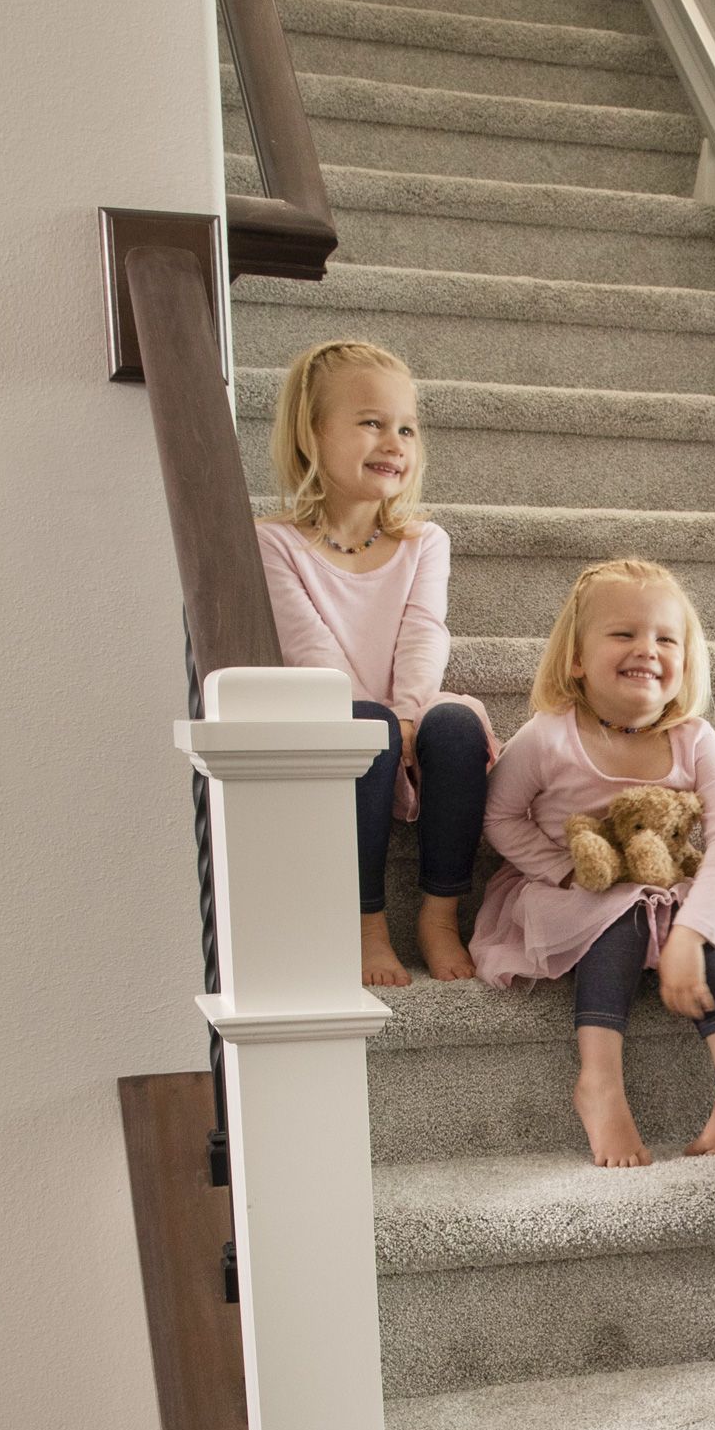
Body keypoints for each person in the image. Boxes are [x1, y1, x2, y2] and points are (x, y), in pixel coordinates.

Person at [469, 558, 715, 1166]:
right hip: (568, 891)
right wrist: (565, 869)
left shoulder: (694, 738)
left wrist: (694, 928)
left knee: (687, 913)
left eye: (666, 637)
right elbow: (498, 816)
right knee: (627, 909)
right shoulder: (549, 736)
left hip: (668, 892)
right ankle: (599, 1081)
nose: (647, 649)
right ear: (577, 658)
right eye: (624, 634)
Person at [257, 340, 494, 988]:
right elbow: (312, 653)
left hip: (407, 711)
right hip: (332, 721)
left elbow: (424, 630)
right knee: (365, 723)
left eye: (406, 427)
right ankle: (365, 922)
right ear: (312, 433)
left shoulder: (423, 541)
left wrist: (411, 714)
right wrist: (385, 723)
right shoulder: (274, 543)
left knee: (458, 727)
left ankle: (440, 915)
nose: (393, 441)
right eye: (370, 422)